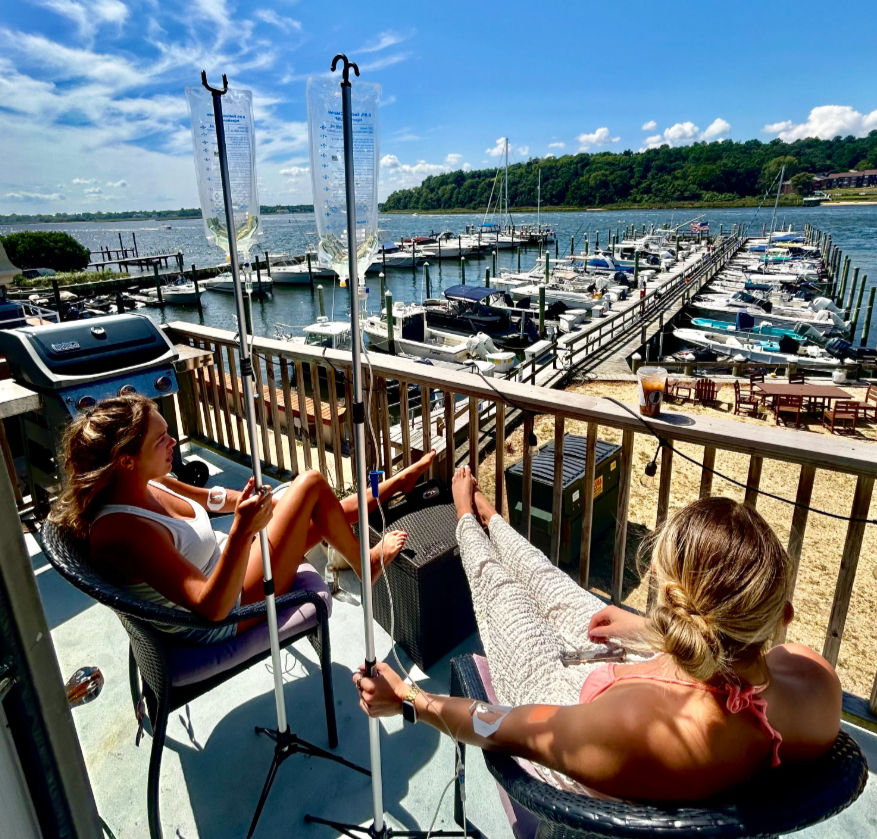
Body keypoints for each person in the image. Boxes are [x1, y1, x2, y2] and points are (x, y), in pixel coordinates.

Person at [354, 466, 842, 802]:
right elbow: (737, 660)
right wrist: (648, 630)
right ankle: (493, 521)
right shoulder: (816, 690)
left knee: (503, 591)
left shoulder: (637, 729)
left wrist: (407, 700)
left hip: (566, 702)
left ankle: (469, 520)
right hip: (653, 685)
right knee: (561, 592)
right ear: (783, 616)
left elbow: (496, 723)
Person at [50, 394, 434, 644]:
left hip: (226, 568)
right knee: (312, 485)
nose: (173, 443)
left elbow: (213, 499)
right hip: (224, 612)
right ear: (126, 461)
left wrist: (253, 501)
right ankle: (365, 562)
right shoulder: (124, 529)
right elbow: (209, 606)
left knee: (300, 500)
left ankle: (390, 489)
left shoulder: (148, 482)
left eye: (169, 434)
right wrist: (240, 532)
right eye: (161, 440)